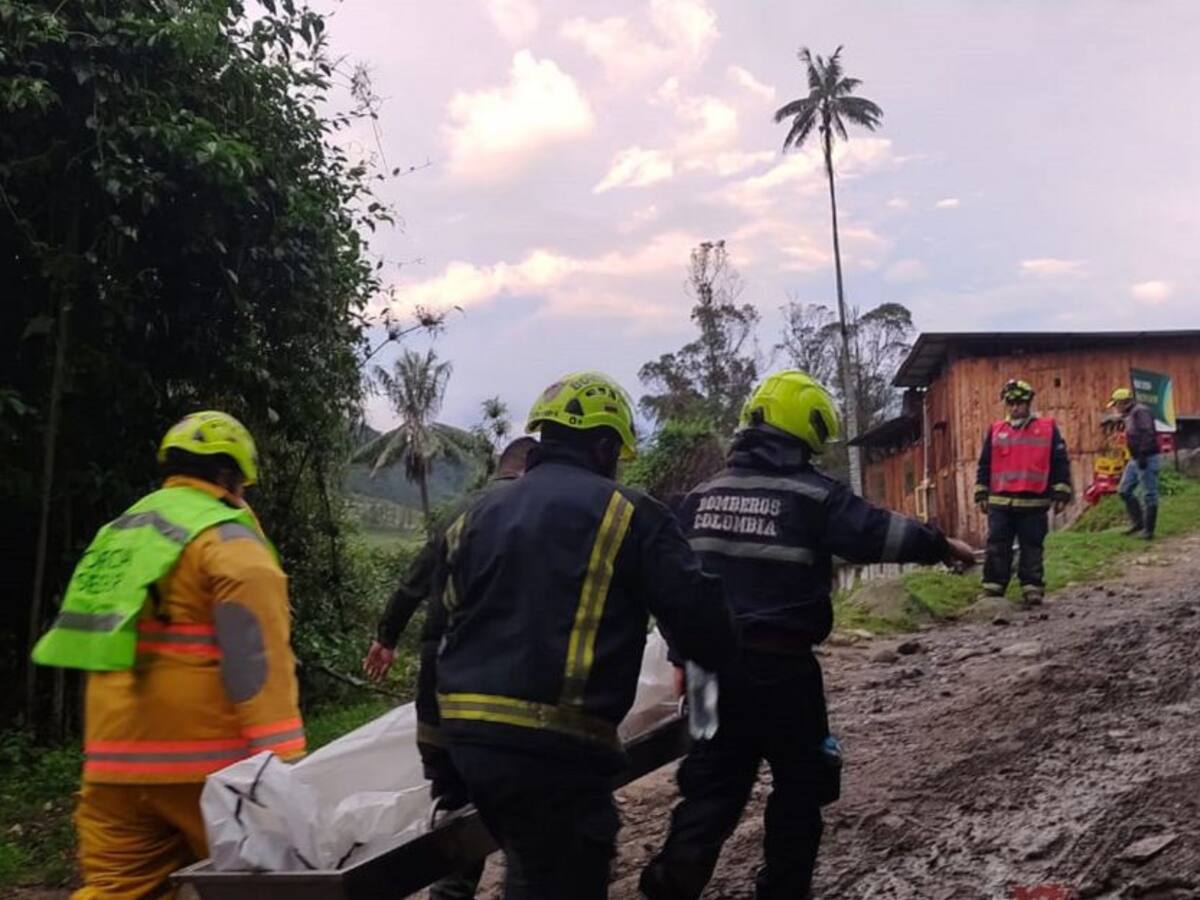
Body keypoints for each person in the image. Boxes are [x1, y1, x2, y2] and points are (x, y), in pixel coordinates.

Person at [640, 370, 977, 900]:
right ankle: (782, 889)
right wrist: (941, 546)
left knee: (709, 786)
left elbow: (674, 589)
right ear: (806, 428)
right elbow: (877, 532)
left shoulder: (698, 500)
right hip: (783, 670)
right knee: (801, 784)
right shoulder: (811, 496)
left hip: (706, 676)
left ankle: (670, 883)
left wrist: (682, 655)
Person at [435, 371, 738, 900]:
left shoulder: (476, 515)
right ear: (602, 447)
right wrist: (704, 660)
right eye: (617, 451)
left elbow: (440, 629)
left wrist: (441, 754)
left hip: (467, 740)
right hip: (552, 746)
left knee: (533, 864)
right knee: (564, 871)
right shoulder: (629, 513)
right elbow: (700, 615)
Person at [32, 411, 304, 900]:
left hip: (112, 763)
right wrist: (282, 758)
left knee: (118, 889)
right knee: (264, 887)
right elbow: (254, 658)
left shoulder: (121, 533)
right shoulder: (227, 537)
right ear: (228, 476)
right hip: (205, 768)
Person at [362, 436, 537, 900]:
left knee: (456, 803)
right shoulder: (534, 512)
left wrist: (385, 638)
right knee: (520, 806)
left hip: (436, 689)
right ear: (530, 468)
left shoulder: (458, 513)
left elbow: (412, 583)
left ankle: (450, 889)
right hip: (495, 690)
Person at [973, 379, 1072, 606]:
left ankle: (1032, 587)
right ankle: (993, 587)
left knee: (1032, 545)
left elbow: (1059, 462)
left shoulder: (1047, 428)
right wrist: (981, 493)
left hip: (1034, 501)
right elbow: (984, 463)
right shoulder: (996, 430)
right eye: (1011, 403)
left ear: (1029, 403)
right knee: (997, 544)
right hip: (1001, 501)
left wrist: (1061, 493)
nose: (1015, 407)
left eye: (1020, 403)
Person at [1109, 386, 1161, 539]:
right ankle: (1138, 523)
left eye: (1116, 405)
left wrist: (1143, 454)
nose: (1116, 409)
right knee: (1124, 490)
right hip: (1135, 458)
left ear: (1124, 402)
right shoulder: (1129, 414)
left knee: (1149, 493)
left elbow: (1148, 432)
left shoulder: (1141, 412)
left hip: (1147, 457)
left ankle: (1148, 531)